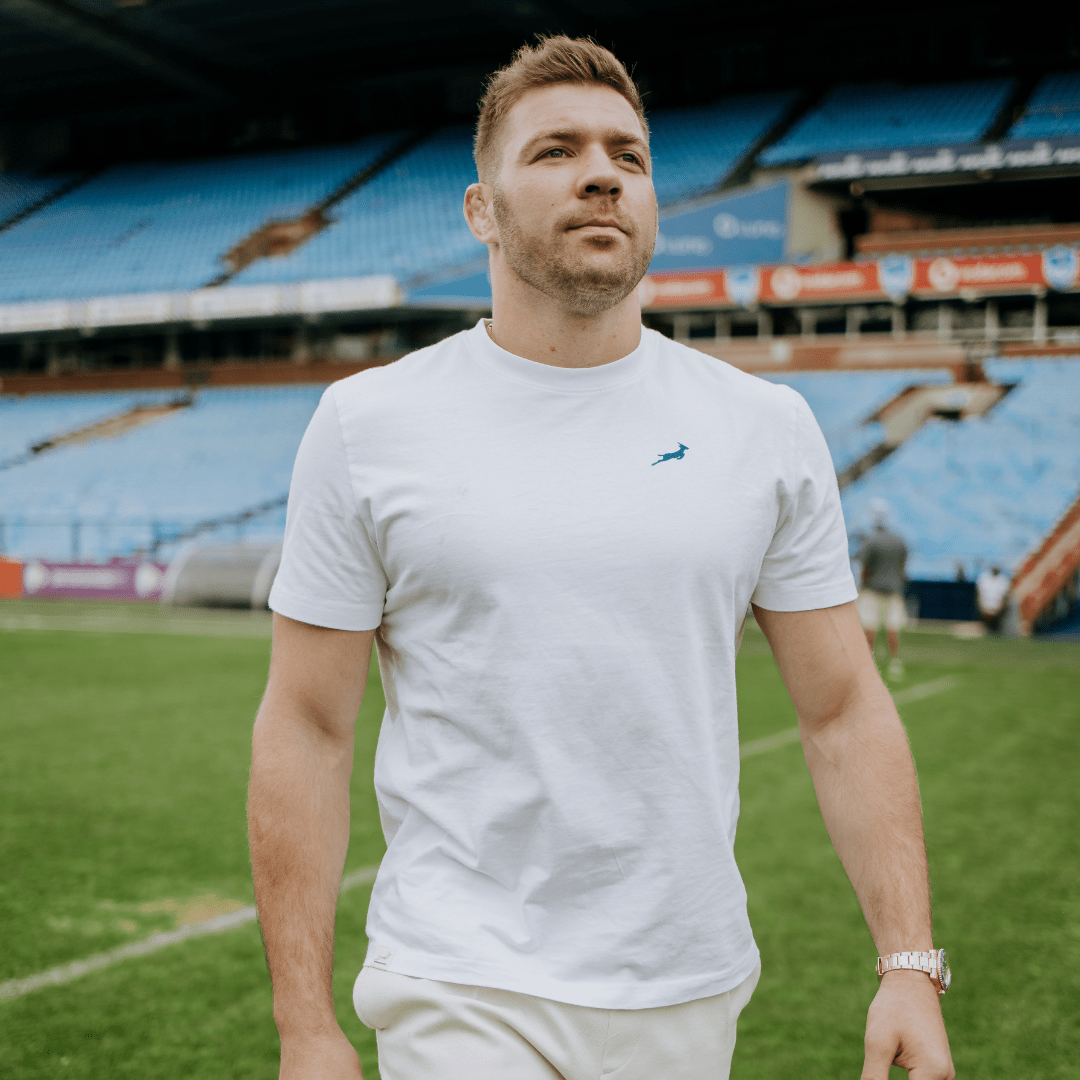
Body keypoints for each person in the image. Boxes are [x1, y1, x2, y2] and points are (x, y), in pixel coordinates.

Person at [248, 36, 954, 1080]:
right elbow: (306, 727)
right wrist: (304, 1026)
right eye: (556, 151)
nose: (601, 173)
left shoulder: (763, 427)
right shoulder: (368, 423)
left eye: (629, 154)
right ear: (482, 211)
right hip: (458, 975)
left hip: (685, 981)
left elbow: (842, 708)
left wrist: (907, 961)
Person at [857, 499, 909, 679]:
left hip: (872, 590)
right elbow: (903, 566)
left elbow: (865, 568)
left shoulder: (870, 540)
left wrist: (862, 585)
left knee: (869, 627)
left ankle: (867, 663)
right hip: (894, 590)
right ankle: (895, 662)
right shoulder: (899, 540)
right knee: (892, 627)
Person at [976, 565, 1010, 633]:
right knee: (986, 629)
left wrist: (1001, 608)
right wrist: (980, 606)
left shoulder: (1003, 580)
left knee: (996, 630)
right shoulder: (984, 578)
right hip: (986, 607)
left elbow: (1005, 597)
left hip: (996, 609)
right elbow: (979, 595)